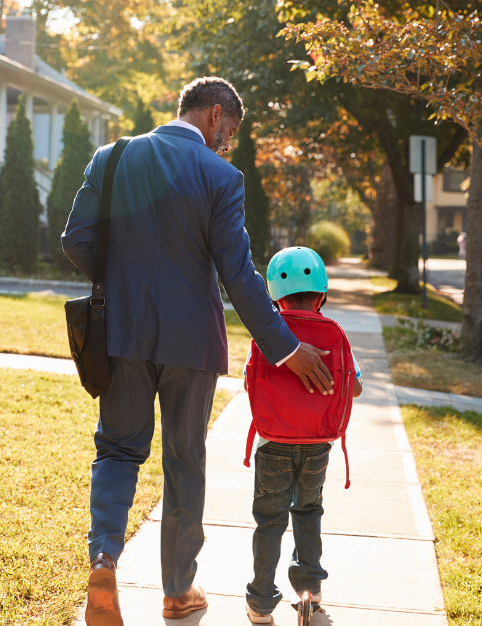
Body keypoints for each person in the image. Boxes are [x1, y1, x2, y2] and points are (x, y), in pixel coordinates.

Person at [61, 77, 335, 626]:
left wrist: (122, 282)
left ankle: (104, 560)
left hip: (120, 337)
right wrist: (286, 348)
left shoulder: (111, 158)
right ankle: (178, 592)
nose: (228, 144)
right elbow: (238, 274)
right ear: (214, 115)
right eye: (229, 131)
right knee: (184, 462)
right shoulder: (220, 177)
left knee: (117, 450)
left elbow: (75, 239)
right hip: (192, 343)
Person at [243, 247, 363, 625]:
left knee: (270, 521)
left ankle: (261, 604)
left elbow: (250, 380)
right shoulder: (334, 332)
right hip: (317, 446)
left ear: (274, 297)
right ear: (321, 294)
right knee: (308, 512)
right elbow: (354, 387)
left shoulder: (270, 333)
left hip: (272, 443)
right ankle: (309, 591)